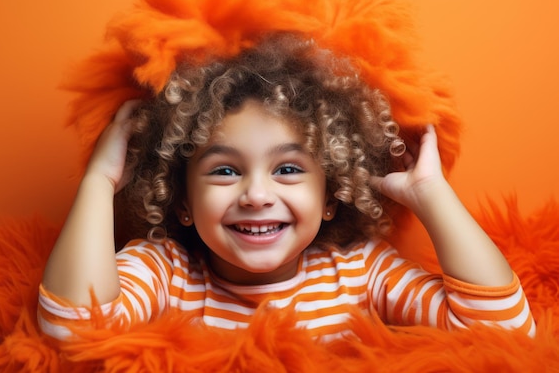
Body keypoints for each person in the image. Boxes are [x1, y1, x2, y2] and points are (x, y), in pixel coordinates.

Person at [38, 34, 535, 342]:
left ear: (330, 195)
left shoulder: (361, 272)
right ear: (184, 202)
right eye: (226, 171)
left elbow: (507, 332)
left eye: (289, 170)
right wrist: (98, 184)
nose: (256, 194)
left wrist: (431, 193)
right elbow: (72, 331)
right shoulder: (165, 272)